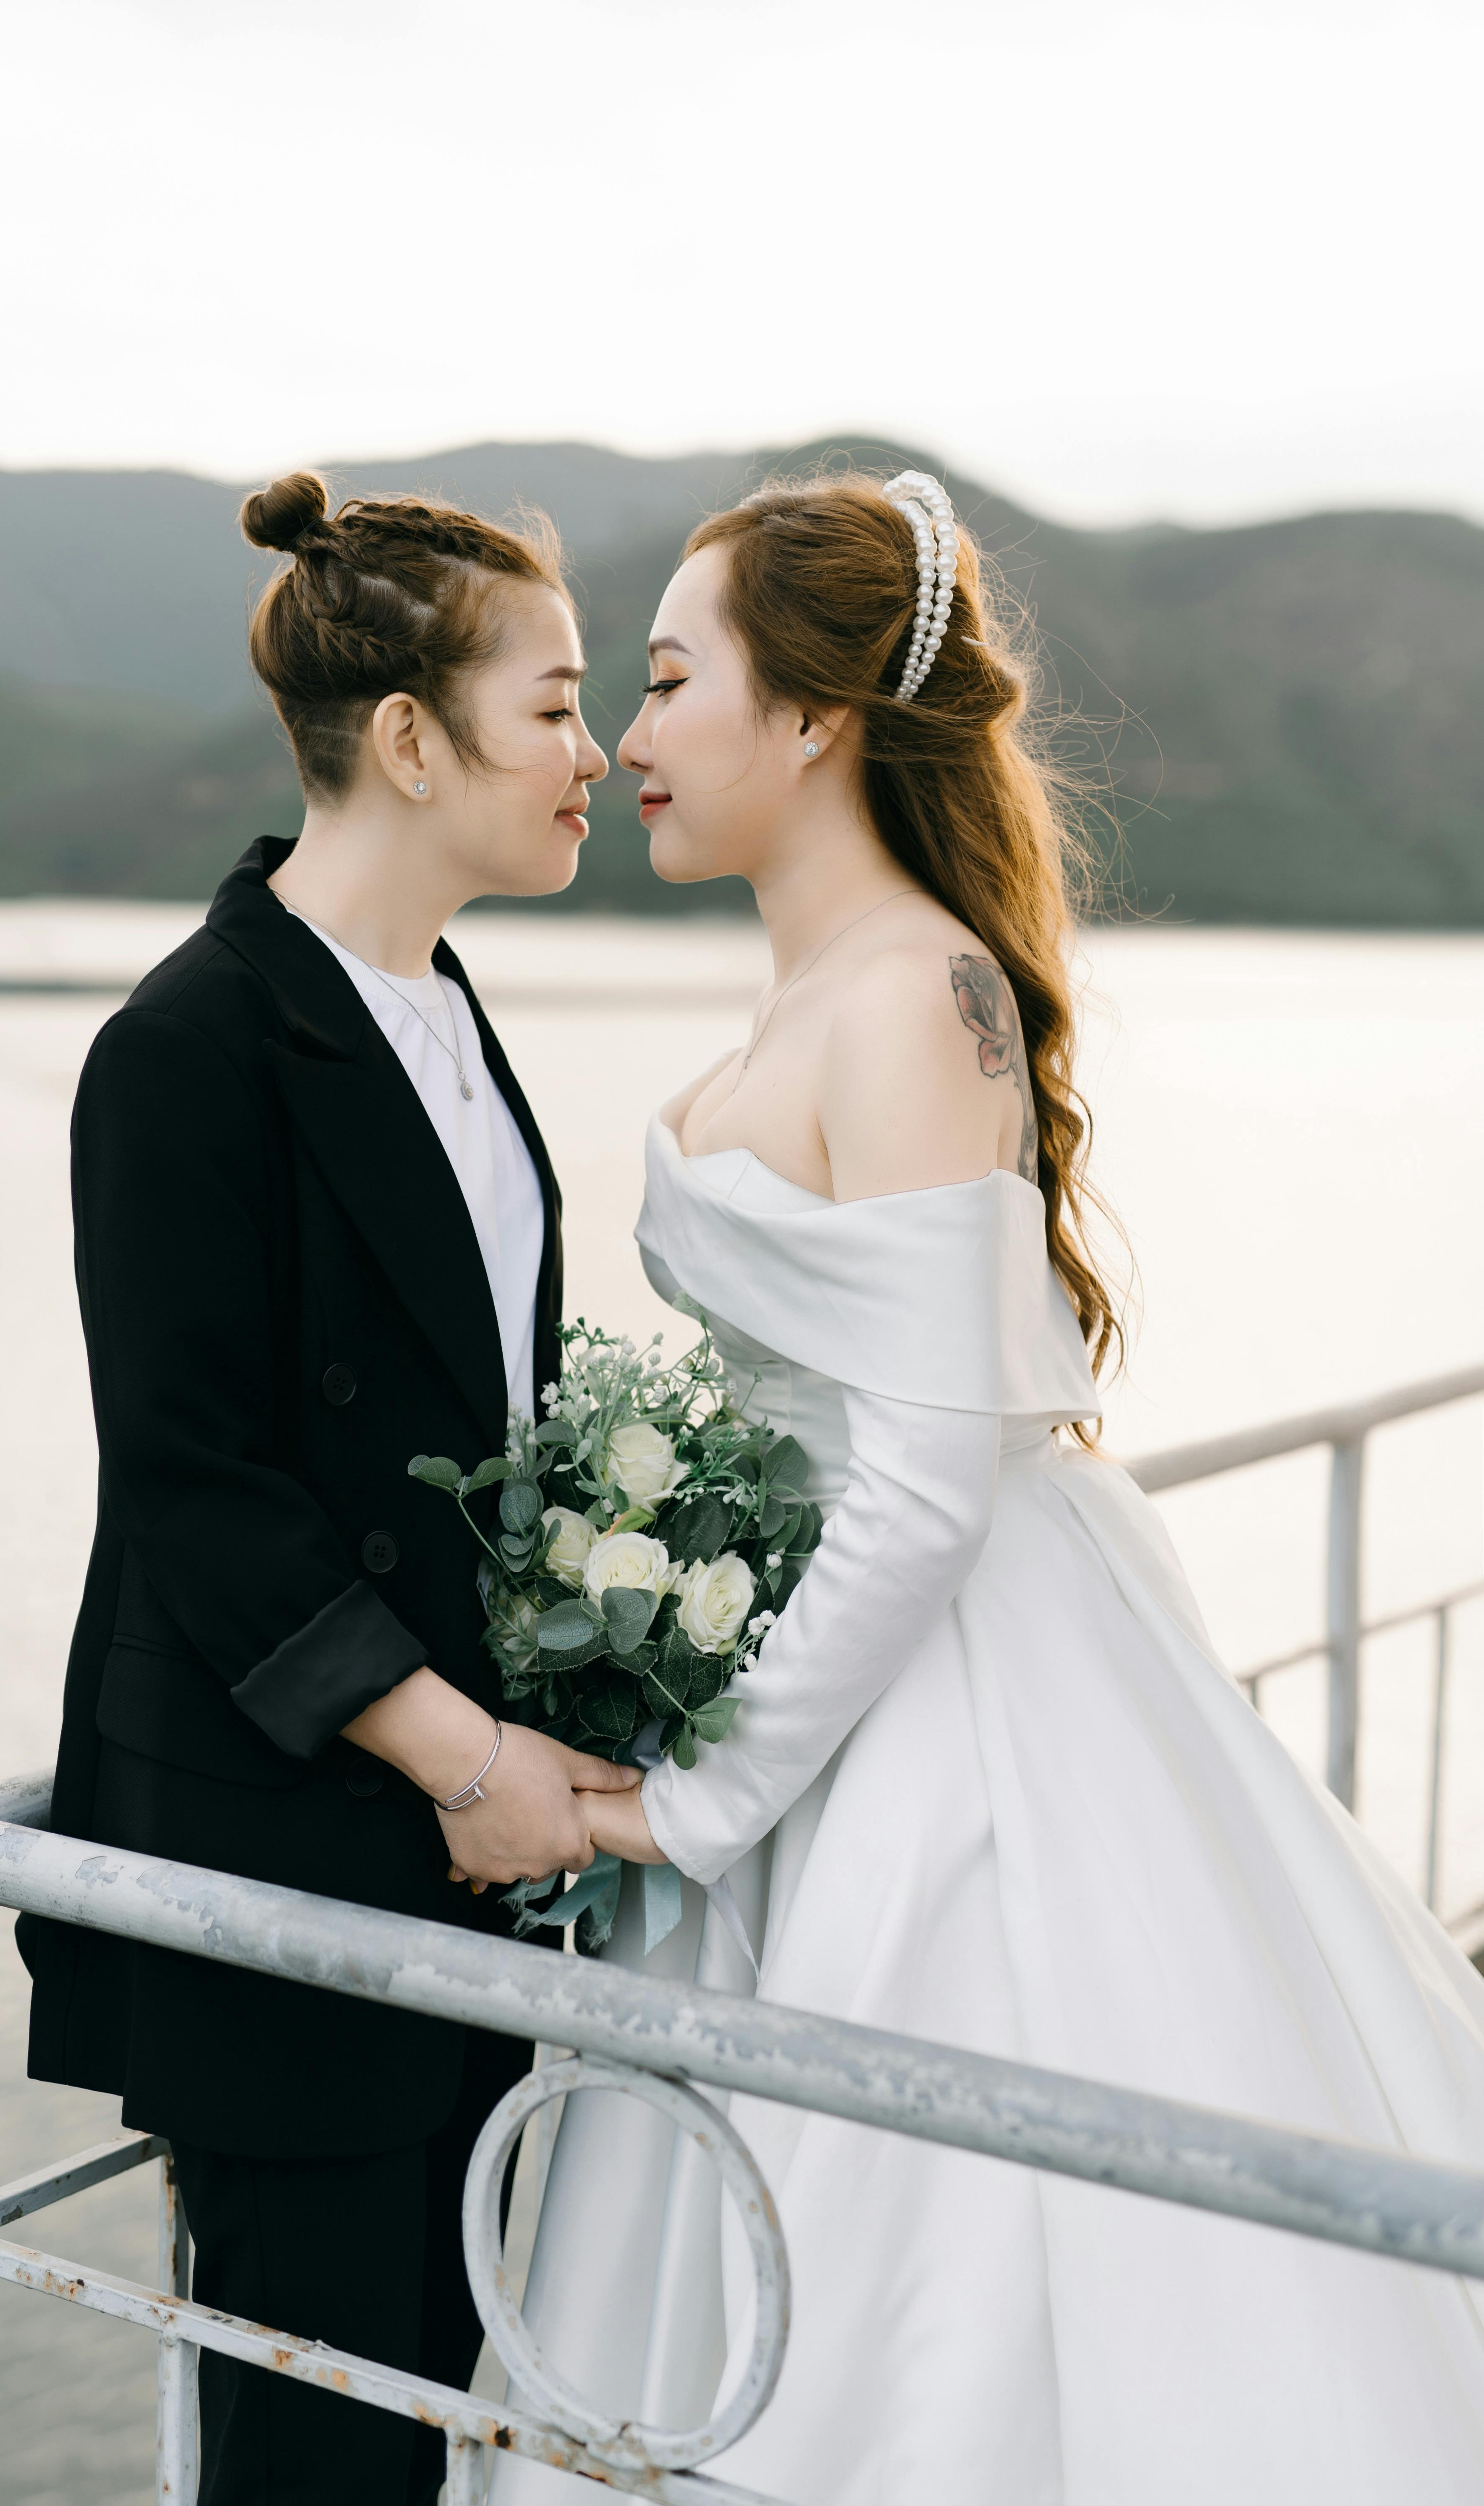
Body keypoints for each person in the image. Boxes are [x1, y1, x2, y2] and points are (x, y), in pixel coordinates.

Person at [496, 472, 1484, 2504]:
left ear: (814, 723)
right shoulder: (822, 993)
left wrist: (698, 1791)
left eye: (674, 684)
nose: (633, 740)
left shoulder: (916, 998)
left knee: (954, 2245)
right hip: (832, 1673)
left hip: (952, 1711)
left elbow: (936, 1468)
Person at [16, 470, 638, 2506]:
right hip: (291, 1864)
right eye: (549, 705)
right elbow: (198, 1494)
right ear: (403, 738)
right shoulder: (189, 1047)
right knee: (316, 2451)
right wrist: (466, 1760)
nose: (594, 752)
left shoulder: (444, 1010)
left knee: (430, 2407)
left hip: (461, 1853)